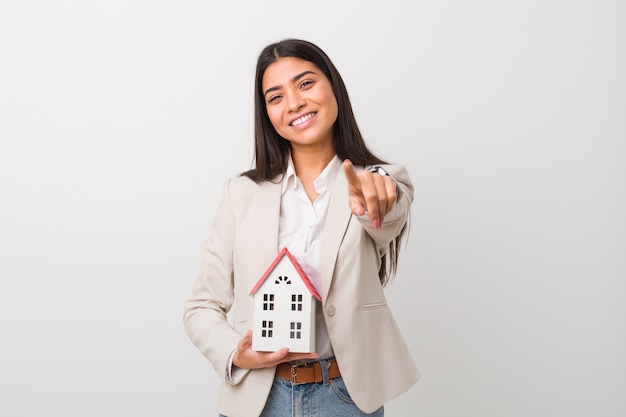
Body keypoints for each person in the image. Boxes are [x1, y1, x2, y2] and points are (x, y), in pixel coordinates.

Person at [183, 38, 419, 417]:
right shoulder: (241, 194)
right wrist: (235, 353)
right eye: (275, 97)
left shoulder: (377, 182)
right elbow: (201, 306)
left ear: (332, 87)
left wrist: (377, 194)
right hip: (260, 399)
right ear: (268, 114)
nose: (293, 103)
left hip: (345, 399)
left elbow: (385, 215)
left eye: (305, 83)